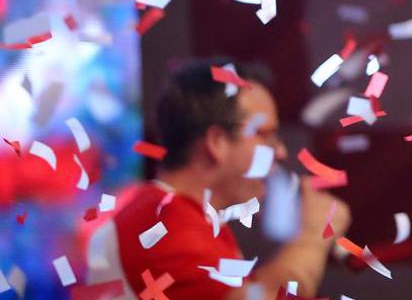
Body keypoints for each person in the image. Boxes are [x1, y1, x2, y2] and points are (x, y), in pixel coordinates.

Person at [77, 59, 350, 300]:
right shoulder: (162, 226)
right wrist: (313, 234)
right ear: (217, 142)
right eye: (266, 135)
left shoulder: (182, 220)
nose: (280, 151)